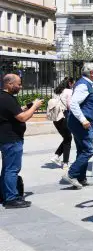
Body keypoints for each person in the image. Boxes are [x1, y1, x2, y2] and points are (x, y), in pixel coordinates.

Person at [0, 74, 43, 208]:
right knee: (12, 169)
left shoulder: (4, 97)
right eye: (18, 84)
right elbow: (22, 118)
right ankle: (11, 199)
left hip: (6, 138)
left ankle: (5, 194)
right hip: (11, 139)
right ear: (9, 84)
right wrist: (34, 106)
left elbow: (13, 113)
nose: (20, 86)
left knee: (7, 169)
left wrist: (25, 108)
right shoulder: (7, 99)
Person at [63, 63, 93, 189]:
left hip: (77, 122)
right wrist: (83, 120)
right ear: (92, 73)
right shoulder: (84, 84)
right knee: (89, 150)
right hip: (80, 123)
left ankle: (81, 178)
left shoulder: (86, 83)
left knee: (82, 150)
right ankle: (71, 174)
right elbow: (73, 103)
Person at [48, 78, 74, 168]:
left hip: (56, 118)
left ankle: (57, 156)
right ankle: (64, 162)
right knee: (68, 138)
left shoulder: (56, 91)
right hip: (64, 116)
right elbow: (69, 106)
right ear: (70, 83)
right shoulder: (69, 91)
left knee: (66, 138)